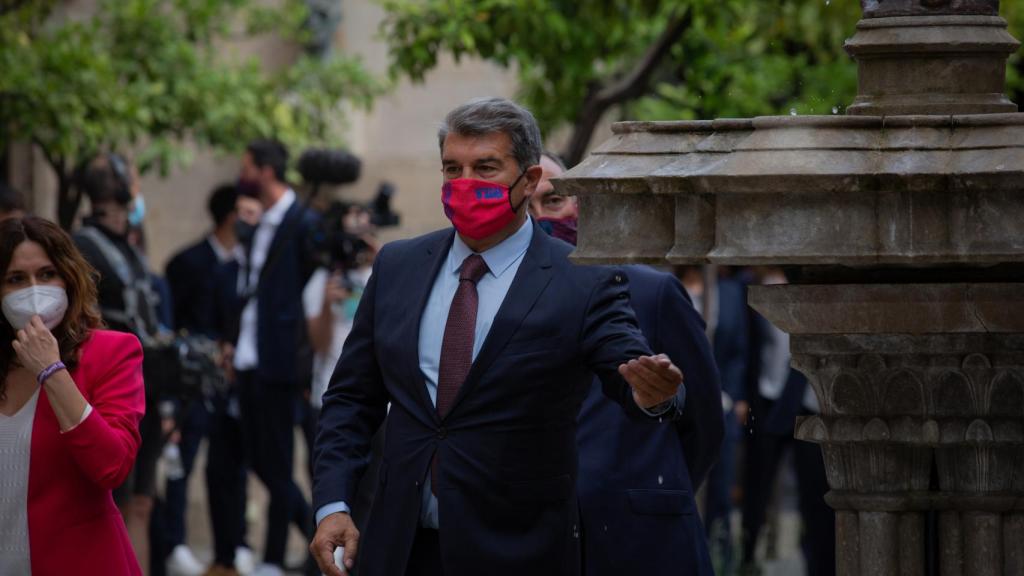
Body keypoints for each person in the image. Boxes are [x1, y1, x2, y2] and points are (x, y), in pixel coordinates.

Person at [310, 97, 686, 576]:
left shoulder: (582, 280)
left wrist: (654, 394)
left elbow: (631, 372)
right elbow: (350, 399)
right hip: (399, 549)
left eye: (485, 168)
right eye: (452, 168)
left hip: (519, 551)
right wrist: (333, 505)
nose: (465, 184)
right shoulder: (397, 266)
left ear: (528, 180)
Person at [530, 154, 723, 576]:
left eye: (553, 201)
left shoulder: (652, 292)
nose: (541, 218)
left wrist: (654, 491)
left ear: (582, 204)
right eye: (526, 207)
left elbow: (703, 423)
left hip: (642, 541)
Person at [0, 216, 145, 574]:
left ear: (68, 278)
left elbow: (112, 466)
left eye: (47, 274)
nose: (34, 290)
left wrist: (51, 371)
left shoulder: (112, 353)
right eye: (16, 279)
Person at [227, 139, 317, 576]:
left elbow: (310, 295)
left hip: (281, 360)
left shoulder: (302, 222)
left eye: (246, 167)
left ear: (265, 171)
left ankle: (276, 557)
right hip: (248, 357)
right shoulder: (256, 219)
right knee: (262, 461)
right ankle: (314, 537)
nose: (241, 175)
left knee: (279, 462)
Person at [73, 152, 166, 571]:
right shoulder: (85, 246)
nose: (137, 187)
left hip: (147, 390)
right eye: (132, 177)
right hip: (112, 395)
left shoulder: (127, 245)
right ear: (118, 187)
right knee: (119, 506)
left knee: (142, 504)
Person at [163, 184, 241, 576]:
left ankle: (234, 545)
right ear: (231, 215)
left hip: (234, 382)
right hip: (191, 383)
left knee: (231, 467)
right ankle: (174, 543)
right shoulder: (187, 262)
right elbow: (170, 325)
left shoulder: (249, 265)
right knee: (180, 461)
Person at [740, 268, 834, 576]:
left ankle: (817, 562)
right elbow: (749, 350)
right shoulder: (753, 286)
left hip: (807, 401)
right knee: (758, 482)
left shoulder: (817, 289)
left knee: (814, 491)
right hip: (769, 399)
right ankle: (746, 555)